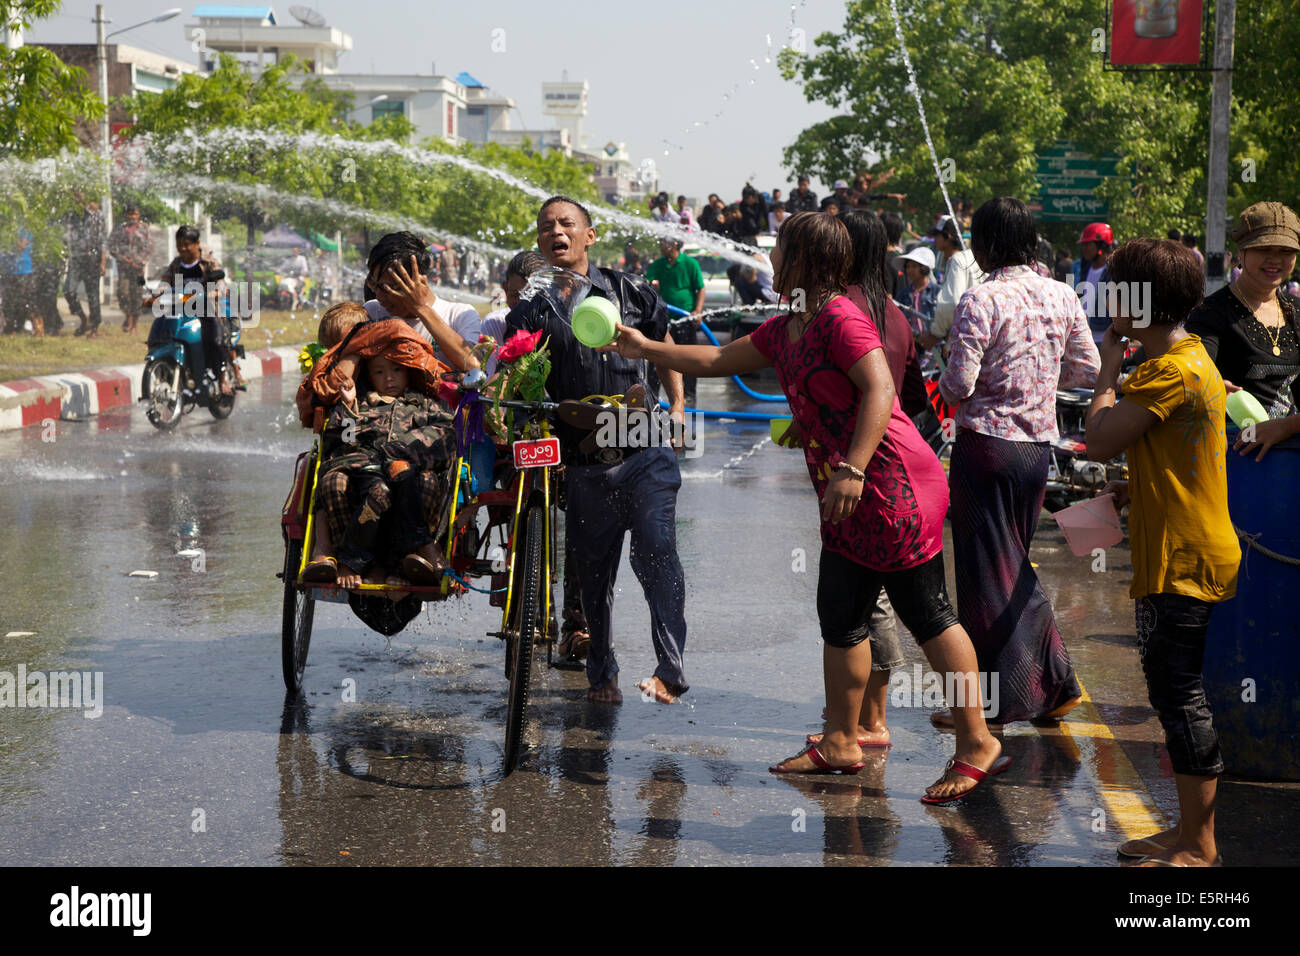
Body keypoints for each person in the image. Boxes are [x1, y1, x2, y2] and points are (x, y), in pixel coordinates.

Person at [610, 211, 1006, 800]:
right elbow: (717, 362)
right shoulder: (785, 325)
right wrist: (646, 347)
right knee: (841, 616)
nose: (768, 263)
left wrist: (851, 467)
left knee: (926, 612)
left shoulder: (840, 320)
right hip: (851, 496)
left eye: (778, 254)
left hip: (892, 484)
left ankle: (976, 741)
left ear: (806, 263)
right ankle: (842, 741)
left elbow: (879, 390)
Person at [1084, 238, 1239, 867]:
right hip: (1177, 543)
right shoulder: (1185, 356)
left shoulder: (1170, 370)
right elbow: (1168, 449)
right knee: (1172, 693)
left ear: (1137, 301)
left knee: (1180, 698)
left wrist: (1104, 367)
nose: (1107, 296)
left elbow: (1096, 438)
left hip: (1183, 556)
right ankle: (1184, 833)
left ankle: (1199, 845)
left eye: (1116, 286)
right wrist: (1134, 485)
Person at [507, 195, 688, 704]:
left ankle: (670, 669)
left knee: (657, 552)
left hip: (643, 446)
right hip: (584, 463)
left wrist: (675, 408)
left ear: (590, 235)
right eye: (546, 228)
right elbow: (518, 379)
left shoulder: (630, 291)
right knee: (593, 576)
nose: (556, 233)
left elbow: (664, 345)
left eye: (567, 224)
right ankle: (601, 676)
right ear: (540, 242)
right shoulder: (532, 309)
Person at [937, 197, 1101, 726]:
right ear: (1031, 243)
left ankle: (995, 706)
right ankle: (1047, 686)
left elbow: (958, 384)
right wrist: (1038, 385)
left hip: (985, 447)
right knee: (1010, 565)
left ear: (982, 247)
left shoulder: (979, 299)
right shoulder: (1061, 295)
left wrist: (946, 383)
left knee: (986, 576)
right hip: (1036, 450)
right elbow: (1087, 369)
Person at [1186, 201, 1300, 458]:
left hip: (1292, 459)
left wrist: (1287, 426)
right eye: (1264, 249)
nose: (1275, 259)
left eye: (1285, 250)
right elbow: (1193, 377)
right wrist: (1211, 387)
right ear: (1242, 251)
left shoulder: (1297, 311)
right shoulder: (1210, 314)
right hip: (1233, 459)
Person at [361, 231, 477, 371]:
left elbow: (474, 365)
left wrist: (422, 308)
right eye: (375, 285)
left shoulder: (459, 314)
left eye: (390, 287)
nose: (379, 296)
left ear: (419, 280)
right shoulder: (372, 312)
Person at [154, 226, 230, 396]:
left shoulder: (208, 262)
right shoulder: (176, 264)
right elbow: (164, 282)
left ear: (197, 244)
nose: (183, 249)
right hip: (181, 311)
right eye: (179, 244)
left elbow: (221, 284)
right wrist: (155, 296)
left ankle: (222, 381)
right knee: (162, 334)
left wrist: (214, 292)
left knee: (215, 341)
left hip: (206, 310)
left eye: (187, 244)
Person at [646, 237, 705, 402]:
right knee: (657, 355)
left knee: (688, 357)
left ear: (674, 245)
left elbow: (700, 288)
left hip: (686, 318)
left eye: (663, 243)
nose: (660, 246)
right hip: (665, 319)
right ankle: (652, 395)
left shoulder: (690, 263)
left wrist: (698, 311)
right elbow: (647, 280)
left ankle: (689, 395)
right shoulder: (659, 264)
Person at [919, 216, 984, 353]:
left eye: (937, 235)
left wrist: (936, 334)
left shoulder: (957, 261)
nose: (935, 239)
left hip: (963, 342)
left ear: (947, 237)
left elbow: (951, 303)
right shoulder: (973, 257)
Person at [64, 197, 105, 338]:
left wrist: (103, 262)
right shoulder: (71, 215)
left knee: (93, 295)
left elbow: (102, 240)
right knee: (68, 291)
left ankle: (95, 328)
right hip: (75, 259)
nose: (78, 198)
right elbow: (67, 237)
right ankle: (83, 319)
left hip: (92, 260)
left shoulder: (97, 215)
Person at [108, 204, 153, 334]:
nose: (133, 217)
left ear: (138, 216)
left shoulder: (144, 229)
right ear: (126, 215)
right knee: (123, 294)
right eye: (130, 215)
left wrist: (139, 261)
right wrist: (122, 258)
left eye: (135, 215)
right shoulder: (119, 229)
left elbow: (149, 248)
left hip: (139, 269)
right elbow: (111, 246)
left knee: (137, 296)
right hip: (123, 267)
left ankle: (135, 325)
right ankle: (128, 316)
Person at [1073, 221, 1114, 342]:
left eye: (1088, 244)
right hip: (1086, 336)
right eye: (1083, 244)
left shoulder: (1113, 272)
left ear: (1101, 245)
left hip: (1105, 338)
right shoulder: (1082, 269)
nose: (1084, 248)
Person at [894, 246, 940, 337]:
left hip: (932, 345)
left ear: (924, 268)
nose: (910, 270)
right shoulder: (903, 294)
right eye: (908, 267)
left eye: (914, 266)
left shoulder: (937, 292)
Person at [0, 230, 36, 335]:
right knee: (7, 302)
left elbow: (22, 245)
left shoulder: (23, 225)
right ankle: (10, 328)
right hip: (6, 269)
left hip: (23, 270)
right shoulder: (4, 224)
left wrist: (12, 239)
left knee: (22, 302)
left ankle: (18, 327)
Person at [279, 245, 309, 310]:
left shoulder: (302, 259)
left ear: (298, 251)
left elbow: (305, 270)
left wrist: (299, 273)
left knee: (299, 289)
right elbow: (281, 268)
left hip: (299, 279)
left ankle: (299, 303)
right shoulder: (289, 260)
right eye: (293, 251)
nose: (294, 252)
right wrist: (277, 271)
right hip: (290, 279)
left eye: (296, 251)